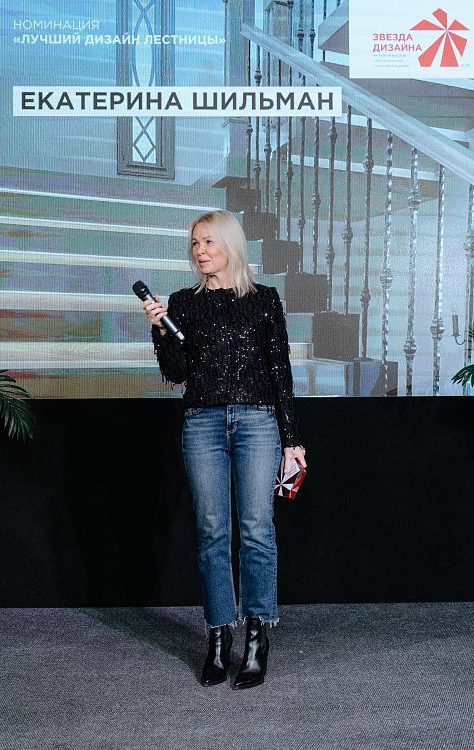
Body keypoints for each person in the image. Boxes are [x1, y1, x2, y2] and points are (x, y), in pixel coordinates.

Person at [141, 209, 306, 689]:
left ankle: (256, 637)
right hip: (203, 423)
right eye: (195, 243)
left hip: (257, 422)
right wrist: (160, 329)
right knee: (212, 532)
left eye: (208, 242)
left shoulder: (264, 300)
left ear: (231, 243)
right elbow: (177, 373)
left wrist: (292, 440)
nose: (200, 251)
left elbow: (280, 374)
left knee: (256, 529)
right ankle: (218, 637)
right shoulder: (183, 303)